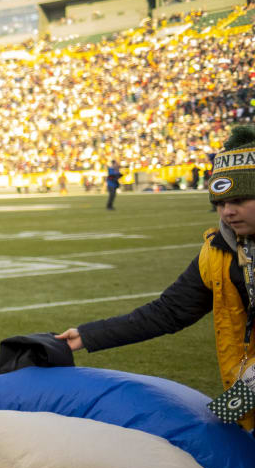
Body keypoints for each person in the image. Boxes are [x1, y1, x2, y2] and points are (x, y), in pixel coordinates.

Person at [57, 126, 255, 431]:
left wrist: (240, 398)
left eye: (239, 200)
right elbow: (169, 312)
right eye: (220, 202)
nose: (227, 212)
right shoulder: (216, 253)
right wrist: (88, 335)